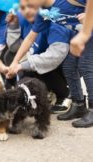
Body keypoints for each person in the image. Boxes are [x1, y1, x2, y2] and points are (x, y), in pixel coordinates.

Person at [7, 0, 93, 128]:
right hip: (78, 36)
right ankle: (78, 105)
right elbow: (30, 37)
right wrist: (15, 62)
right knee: (69, 66)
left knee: (85, 65)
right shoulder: (44, 13)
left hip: (89, 32)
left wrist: (90, 17)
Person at [5, 0, 71, 114]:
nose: (27, 11)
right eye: (23, 7)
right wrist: (13, 26)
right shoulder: (25, 18)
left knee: (32, 69)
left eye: (31, 6)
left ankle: (65, 94)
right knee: (9, 57)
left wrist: (21, 65)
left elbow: (53, 58)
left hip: (63, 63)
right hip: (44, 61)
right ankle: (43, 92)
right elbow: (14, 48)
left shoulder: (54, 23)